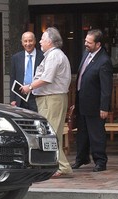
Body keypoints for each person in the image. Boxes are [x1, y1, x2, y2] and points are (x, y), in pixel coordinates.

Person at [21, 27, 73, 178]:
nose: (40, 42)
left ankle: (61, 166)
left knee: (51, 133)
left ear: (50, 41)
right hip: (50, 98)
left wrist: (29, 87)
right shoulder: (51, 55)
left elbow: (46, 78)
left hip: (53, 98)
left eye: (43, 39)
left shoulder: (54, 56)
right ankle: (57, 164)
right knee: (50, 132)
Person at [71, 29, 113, 172]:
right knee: (82, 133)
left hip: (95, 105)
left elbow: (106, 87)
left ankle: (100, 161)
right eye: (85, 41)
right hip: (82, 102)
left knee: (96, 134)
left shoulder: (104, 61)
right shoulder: (86, 54)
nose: (86, 44)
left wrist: (104, 107)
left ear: (98, 44)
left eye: (89, 42)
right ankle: (81, 158)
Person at [10, 31, 44, 112]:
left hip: (37, 96)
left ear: (35, 41)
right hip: (20, 96)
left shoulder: (43, 57)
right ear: (22, 42)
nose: (28, 44)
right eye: (25, 41)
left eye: (30, 41)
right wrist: (13, 99)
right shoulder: (16, 58)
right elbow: (13, 78)